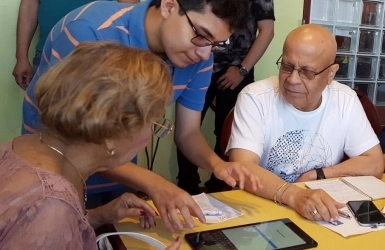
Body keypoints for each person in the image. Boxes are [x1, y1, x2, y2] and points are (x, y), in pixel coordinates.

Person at [21, 0, 261, 232]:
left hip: (121, 173)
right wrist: (156, 184)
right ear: (169, 6)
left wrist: (218, 165)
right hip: (56, 176)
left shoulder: (198, 57)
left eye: (216, 44)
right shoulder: (89, 30)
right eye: (201, 34)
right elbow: (74, 142)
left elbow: (188, 133)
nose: (204, 52)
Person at [0, 42, 181, 249]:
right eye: (153, 123)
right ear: (111, 135)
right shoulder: (50, 207)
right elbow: (45, 222)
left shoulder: (24, 146)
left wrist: (98, 216)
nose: (150, 135)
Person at [227, 24, 385, 221]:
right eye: (286, 66)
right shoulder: (255, 97)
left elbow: (375, 163)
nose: (292, 79)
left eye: (307, 72)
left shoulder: (345, 99)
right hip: (263, 210)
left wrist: (317, 175)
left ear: (331, 74)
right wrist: (294, 195)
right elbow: (243, 167)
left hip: (319, 211)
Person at [176, 0, 275, 194]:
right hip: (197, 63)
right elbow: (186, 133)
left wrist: (242, 69)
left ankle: (220, 187)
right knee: (188, 127)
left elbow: (267, 31)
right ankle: (187, 187)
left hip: (238, 70)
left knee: (227, 132)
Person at [12, 0, 138, 90]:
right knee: (42, 119)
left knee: (95, 121)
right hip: (48, 55)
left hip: (99, 57)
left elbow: (128, 9)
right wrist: (21, 57)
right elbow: (29, 5)